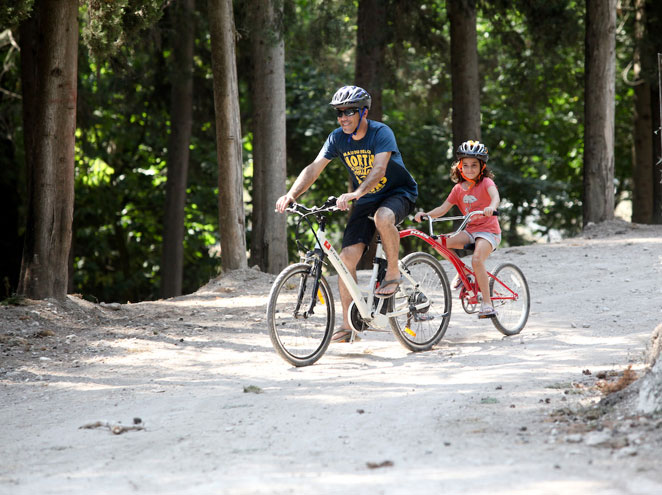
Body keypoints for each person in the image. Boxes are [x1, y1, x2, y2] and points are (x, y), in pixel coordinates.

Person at [275, 85, 418, 342]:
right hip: (364, 199)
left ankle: (393, 271)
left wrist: (356, 193)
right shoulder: (337, 138)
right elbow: (314, 168)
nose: (343, 118)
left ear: (363, 112)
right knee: (345, 260)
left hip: (397, 193)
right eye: (339, 113)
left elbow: (379, 169)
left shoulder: (381, 132)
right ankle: (348, 327)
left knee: (383, 217)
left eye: (349, 112)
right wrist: (291, 195)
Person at [414, 140, 501, 319]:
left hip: (489, 232)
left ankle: (487, 304)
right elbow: (443, 208)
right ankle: (464, 274)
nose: (469, 169)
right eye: (466, 165)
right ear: (459, 166)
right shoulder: (457, 189)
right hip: (469, 231)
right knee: (438, 242)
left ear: (482, 167)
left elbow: (495, 197)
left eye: (474, 165)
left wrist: (491, 207)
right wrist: (426, 214)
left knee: (477, 260)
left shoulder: (486, 183)